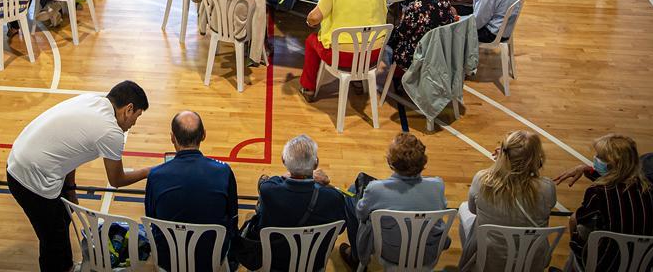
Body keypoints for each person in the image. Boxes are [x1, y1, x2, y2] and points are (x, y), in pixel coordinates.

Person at [7, 81, 152, 271]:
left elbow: (70, 149)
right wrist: (151, 172)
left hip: (20, 158)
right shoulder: (111, 131)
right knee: (53, 238)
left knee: (62, 220)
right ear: (128, 109)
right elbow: (117, 180)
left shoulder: (94, 99)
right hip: (31, 179)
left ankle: (65, 265)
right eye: (137, 116)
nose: (134, 123)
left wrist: (70, 188)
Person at [144, 111, 238, 271]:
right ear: (204, 135)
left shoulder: (155, 175)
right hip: (211, 257)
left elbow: (151, 216)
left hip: (168, 259)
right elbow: (232, 216)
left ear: (172, 137)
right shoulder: (223, 171)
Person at [245, 134, 352, 270]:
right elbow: (340, 229)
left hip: (276, 260)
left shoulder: (269, 190)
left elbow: (270, 181)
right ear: (316, 163)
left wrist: (300, 173)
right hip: (315, 262)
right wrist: (318, 179)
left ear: (284, 161)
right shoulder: (334, 197)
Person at [555, 134, 653, 272]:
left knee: (577, 225)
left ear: (610, 164)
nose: (595, 159)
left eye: (598, 156)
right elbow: (614, 182)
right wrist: (586, 169)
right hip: (640, 262)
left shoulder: (598, 192)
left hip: (606, 264)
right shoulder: (648, 187)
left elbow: (577, 221)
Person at [345, 133, 448, 268]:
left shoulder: (376, 189)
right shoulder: (437, 185)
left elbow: (361, 214)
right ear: (423, 161)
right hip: (427, 252)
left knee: (350, 195)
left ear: (391, 162)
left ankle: (355, 256)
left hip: (389, 252)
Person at [459, 131, 557, 272]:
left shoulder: (482, 180)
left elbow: (473, 209)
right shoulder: (547, 187)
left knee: (465, 210)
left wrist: (502, 164)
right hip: (531, 262)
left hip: (490, 261)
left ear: (503, 154)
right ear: (537, 157)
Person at [299, 0, 387, 99]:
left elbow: (314, 18)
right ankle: (358, 81)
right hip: (373, 54)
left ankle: (308, 88)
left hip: (342, 56)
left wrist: (309, 21)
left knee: (311, 41)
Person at [388, 0, 458, 73]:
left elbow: (400, 35)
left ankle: (398, 79)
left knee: (386, 41)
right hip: (438, 50)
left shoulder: (415, 8)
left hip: (417, 54)